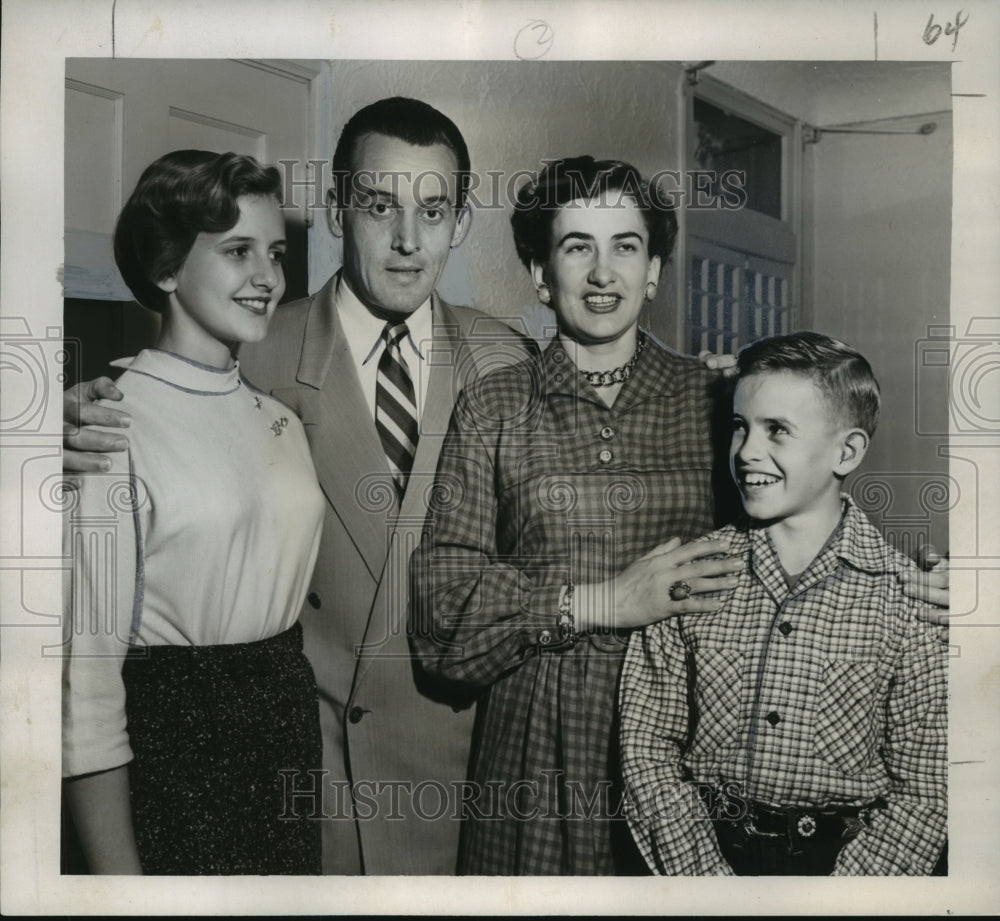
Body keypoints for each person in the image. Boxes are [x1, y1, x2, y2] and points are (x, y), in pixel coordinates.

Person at [63, 98, 536, 875]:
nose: (409, 241)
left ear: (460, 220)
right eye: (380, 205)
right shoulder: (250, 345)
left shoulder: (506, 360)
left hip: (461, 790)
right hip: (302, 787)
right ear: (338, 205)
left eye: (434, 208)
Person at [409, 156, 748, 875]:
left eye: (626, 246)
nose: (603, 273)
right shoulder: (495, 407)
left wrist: (914, 592)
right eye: (576, 247)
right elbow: (439, 618)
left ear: (653, 269)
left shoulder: (717, 401)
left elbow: (802, 545)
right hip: (537, 753)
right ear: (539, 273)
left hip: (688, 744)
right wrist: (602, 601)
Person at [62, 150, 326, 874]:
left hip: (283, 736)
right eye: (237, 251)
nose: (268, 277)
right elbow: (85, 687)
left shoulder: (282, 421)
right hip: (176, 753)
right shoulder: (111, 426)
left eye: (275, 252)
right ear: (167, 268)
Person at [619, 332, 948, 875]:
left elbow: (926, 789)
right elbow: (647, 746)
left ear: (847, 451)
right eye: (740, 427)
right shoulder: (692, 573)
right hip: (706, 860)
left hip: (843, 870)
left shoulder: (905, 599)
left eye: (778, 430)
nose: (747, 450)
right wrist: (706, 887)